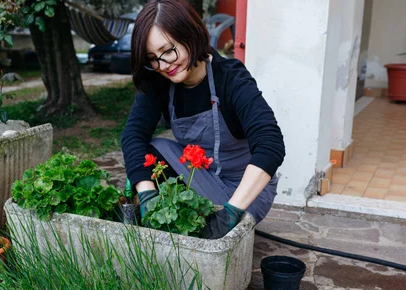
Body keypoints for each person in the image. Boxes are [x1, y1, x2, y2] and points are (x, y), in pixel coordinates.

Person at [121, 0, 285, 239]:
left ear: (189, 34)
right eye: (153, 58)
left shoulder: (231, 78)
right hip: (201, 178)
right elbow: (132, 134)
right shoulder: (158, 81)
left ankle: (225, 220)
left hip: (245, 193)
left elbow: (271, 145)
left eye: (168, 50)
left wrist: (230, 212)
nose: (163, 65)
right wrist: (146, 194)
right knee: (150, 151)